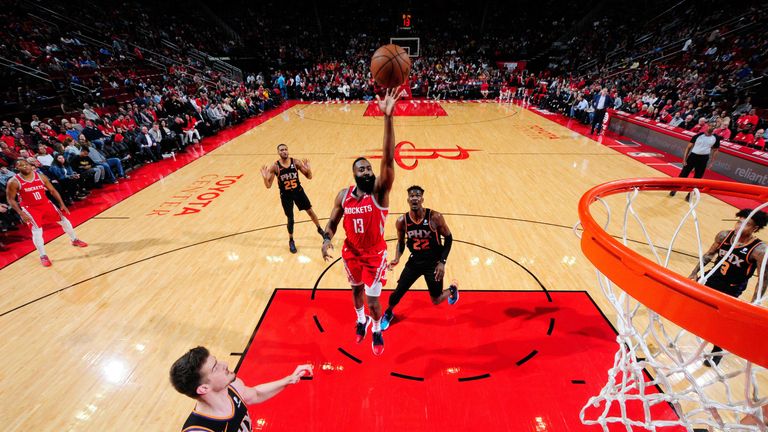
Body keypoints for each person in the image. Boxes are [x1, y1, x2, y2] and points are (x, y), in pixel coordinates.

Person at [321, 88, 401, 355]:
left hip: (375, 254)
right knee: (355, 292)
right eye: (362, 169)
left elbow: (388, 159)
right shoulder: (343, 195)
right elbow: (332, 221)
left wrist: (388, 118)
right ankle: (360, 321)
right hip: (350, 251)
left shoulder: (379, 192)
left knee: (373, 299)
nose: (367, 171)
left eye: (369, 167)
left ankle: (376, 328)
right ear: (354, 174)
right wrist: (326, 238)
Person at [688, 208, 767, 367]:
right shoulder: (724, 236)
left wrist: (755, 301)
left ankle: (717, 351)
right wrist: (694, 273)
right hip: (712, 278)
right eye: (739, 221)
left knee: (722, 322)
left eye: (746, 224)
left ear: (755, 229)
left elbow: (764, 279)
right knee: (698, 310)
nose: (739, 226)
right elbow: (709, 255)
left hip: (731, 288)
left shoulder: (759, 250)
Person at [170, 346, 312, 432]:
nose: (224, 364)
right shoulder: (200, 430)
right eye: (215, 368)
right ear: (204, 388)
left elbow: (255, 394)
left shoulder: (232, 386)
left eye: (217, 360)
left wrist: (289, 379)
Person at [381, 185, 459, 330]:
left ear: (422, 199)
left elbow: (448, 238)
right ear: (408, 200)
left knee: (436, 300)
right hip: (415, 262)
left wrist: (442, 262)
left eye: (417, 195)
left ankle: (453, 290)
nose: (414, 198)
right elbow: (400, 243)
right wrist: (397, 258)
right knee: (398, 292)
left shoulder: (435, 217)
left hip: (433, 263)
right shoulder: (401, 221)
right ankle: (388, 312)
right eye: (411, 196)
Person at [5, 159, 88, 266]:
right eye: (21, 165)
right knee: (37, 231)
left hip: (46, 204)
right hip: (30, 208)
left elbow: (52, 190)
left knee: (64, 221)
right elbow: (11, 199)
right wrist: (21, 213)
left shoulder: (40, 176)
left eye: (26, 164)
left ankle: (74, 239)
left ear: (30, 165)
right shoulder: (13, 181)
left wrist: (62, 203)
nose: (25, 166)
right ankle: (43, 255)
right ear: (17, 168)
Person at [260, 144, 324, 253]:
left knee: (310, 211)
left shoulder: (296, 162)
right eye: (281, 150)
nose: (284, 151)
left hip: (298, 192)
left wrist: (309, 169)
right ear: (278, 153)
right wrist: (265, 178)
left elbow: (309, 177)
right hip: (286, 196)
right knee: (290, 219)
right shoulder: (275, 166)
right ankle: (291, 240)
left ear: (288, 151)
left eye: (285, 149)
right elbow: (268, 186)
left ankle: (320, 229)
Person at [669, 124, 720, 201]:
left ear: (715, 129)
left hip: (704, 158)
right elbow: (688, 147)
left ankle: (690, 195)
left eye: (713, 126)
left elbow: (716, 150)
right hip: (693, 156)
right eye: (710, 126)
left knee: (697, 178)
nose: (711, 127)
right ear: (707, 126)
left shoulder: (716, 138)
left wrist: (712, 162)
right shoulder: (698, 135)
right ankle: (675, 189)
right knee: (683, 174)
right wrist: (684, 159)